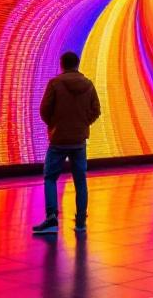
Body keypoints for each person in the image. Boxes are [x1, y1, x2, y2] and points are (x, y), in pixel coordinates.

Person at [32, 51, 101, 235]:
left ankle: (52, 217)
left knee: (50, 177)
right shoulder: (88, 85)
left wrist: (54, 124)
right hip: (79, 140)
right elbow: (96, 110)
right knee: (80, 180)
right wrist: (84, 122)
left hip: (58, 139)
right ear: (77, 64)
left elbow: (44, 109)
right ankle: (80, 221)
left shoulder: (55, 83)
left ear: (61, 64)